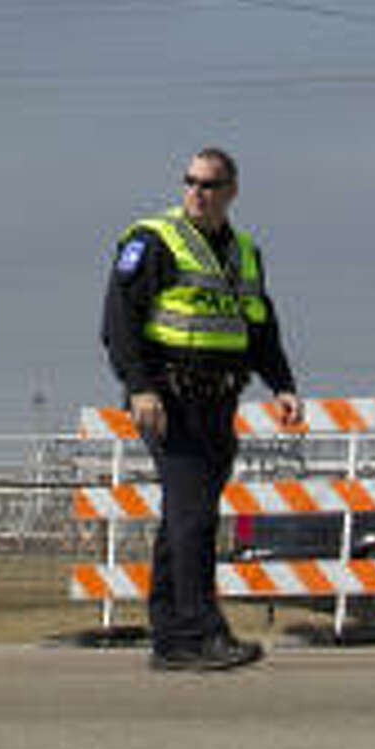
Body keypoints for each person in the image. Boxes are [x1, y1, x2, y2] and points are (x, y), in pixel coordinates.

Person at [102, 147, 301, 671]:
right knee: (195, 518)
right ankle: (204, 632)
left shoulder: (244, 251)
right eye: (190, 181)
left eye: (208, 184)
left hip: (219, 402)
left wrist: (281, 385)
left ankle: (170, 639)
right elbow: (119, 321)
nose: (196, 191)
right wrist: (140, 388)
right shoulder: (154, 240)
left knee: (183, 520)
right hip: (169, 400)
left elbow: (260, 328)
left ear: (231, 190)